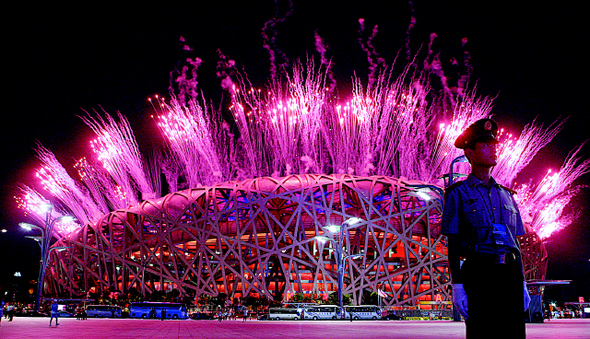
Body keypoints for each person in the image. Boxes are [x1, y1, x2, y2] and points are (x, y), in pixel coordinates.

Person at [442, 119, 531, 339]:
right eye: (485, 145)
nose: (493, 150)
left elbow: (515, 244)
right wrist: (457, 285)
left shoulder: (507, 195)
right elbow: (452, 242)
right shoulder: (457, 194)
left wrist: (522, 282)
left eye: (494, 145)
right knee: (482, 334)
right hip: (479, 273)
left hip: (510, 275)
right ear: (470, 153)